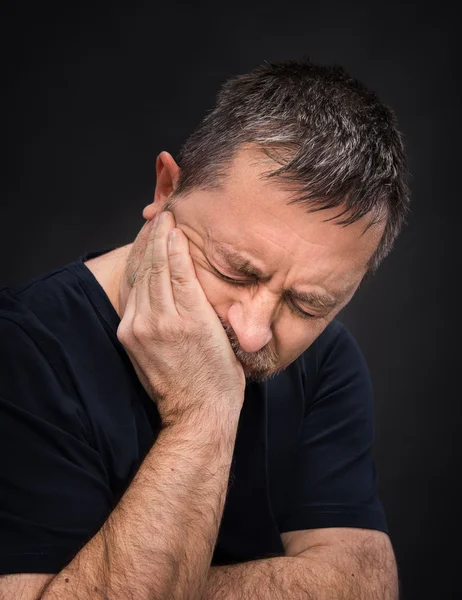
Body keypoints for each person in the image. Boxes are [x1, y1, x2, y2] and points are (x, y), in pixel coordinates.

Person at [0, 58, 409, 599]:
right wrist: (204, 413)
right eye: (233, 270)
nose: (255, 331)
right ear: (167, 189)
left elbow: (367, 585)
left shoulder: (327, 357)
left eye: (308, 305)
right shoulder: (22, 352)